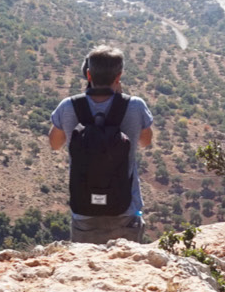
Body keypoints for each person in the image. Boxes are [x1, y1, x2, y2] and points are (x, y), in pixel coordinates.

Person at [49, 44, 154, 244]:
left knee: (86, 262)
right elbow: (146, 141)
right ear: (119, 76)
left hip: (84, 212)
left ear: (88, 75)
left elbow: (54, 144)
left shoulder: (68, 106)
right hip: (126, 210)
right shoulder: (135, 105)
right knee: (127, 261)